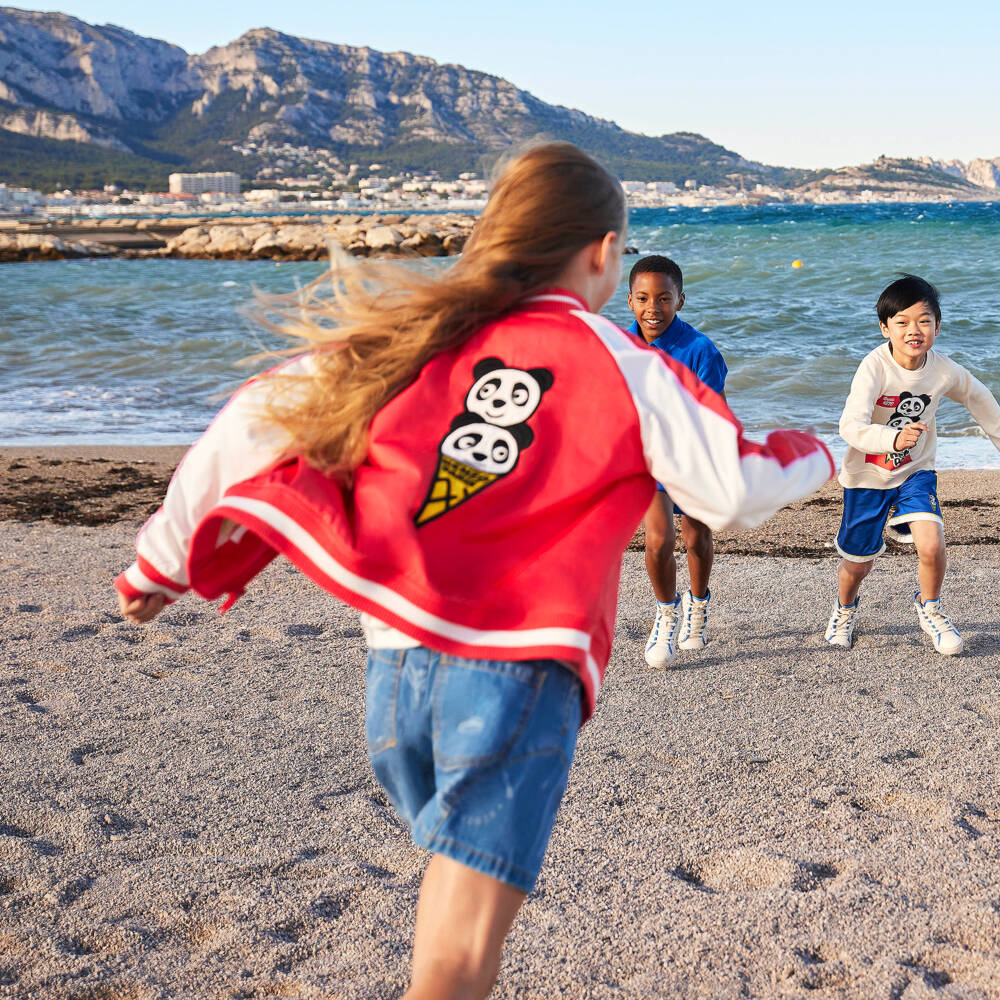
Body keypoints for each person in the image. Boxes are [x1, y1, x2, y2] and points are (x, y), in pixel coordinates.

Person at [114, 143, 833, 1000]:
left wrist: (157, 565)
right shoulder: (622, 362)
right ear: (604, 253)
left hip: (395, 685)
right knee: (456, 963)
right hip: (516, 682)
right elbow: (732, 489)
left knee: (447, 915)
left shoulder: (412, 336)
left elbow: (255, 418)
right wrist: (832, 452)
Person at [825, 273, 1000, 654]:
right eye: (902, 322)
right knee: (858, 564)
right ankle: (844, 609)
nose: (913, 330)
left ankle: (930, 607)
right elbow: (849, 425)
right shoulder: (874, 366)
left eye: (923, 321)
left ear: (937, 325)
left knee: (932, 543)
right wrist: (890, 438)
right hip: (868, 475)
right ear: (885, 327)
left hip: (916, 471)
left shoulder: (945, 371)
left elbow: (983, 403)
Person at [625, 255, 728, 667]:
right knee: (658, 540)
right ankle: (667, 612)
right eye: (644, 298)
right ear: (629, 301)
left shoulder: (701, 350)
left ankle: (698, 607)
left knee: (695, 539)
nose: (654, 308)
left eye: (664, 298)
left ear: (680, 301)